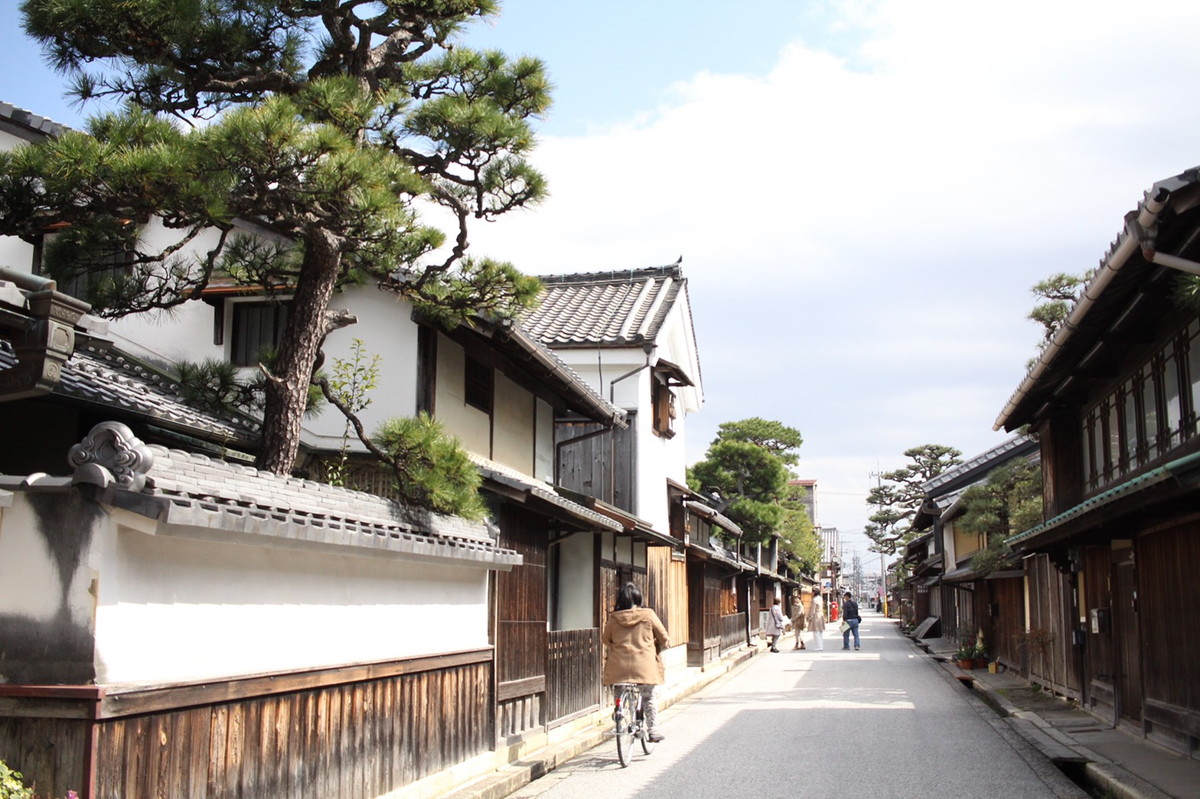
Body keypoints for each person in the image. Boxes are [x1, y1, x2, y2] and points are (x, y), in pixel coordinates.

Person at [602, 582, 669, 742]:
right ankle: (652, 730)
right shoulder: (648, 614)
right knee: (648, 697)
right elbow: (664, 637)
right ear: (638, 598)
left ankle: (619, 712)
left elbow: (605, 639)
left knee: (619, 692)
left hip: (619, 667)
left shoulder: (614, 618)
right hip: (644, 667)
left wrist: (616, 647)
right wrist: (660, 647)